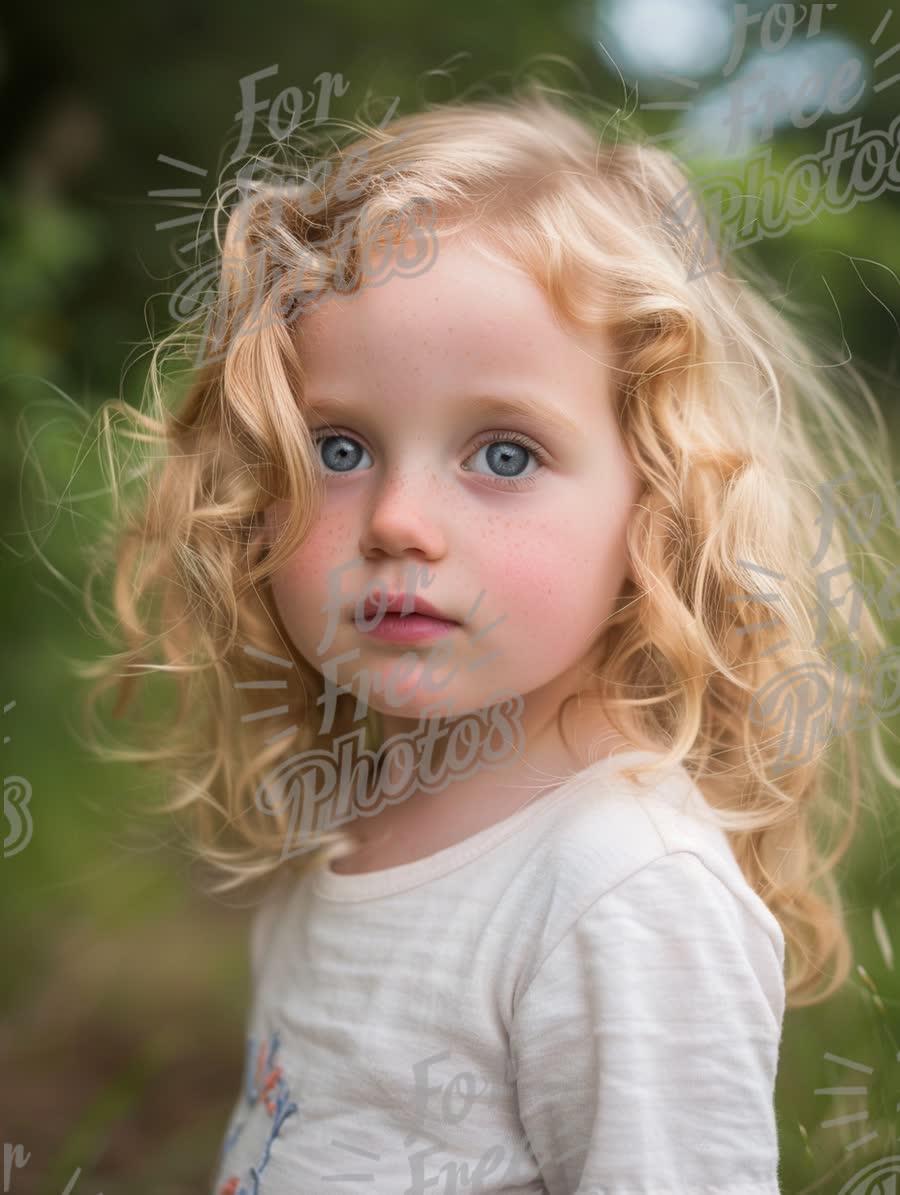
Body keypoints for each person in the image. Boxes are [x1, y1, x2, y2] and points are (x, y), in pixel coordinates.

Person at [83, 84, 898, 1193]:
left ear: (654, 505)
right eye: (336, 448)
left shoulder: (622, 891)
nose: (399, 521)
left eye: (503, 455)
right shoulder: (354, 805)